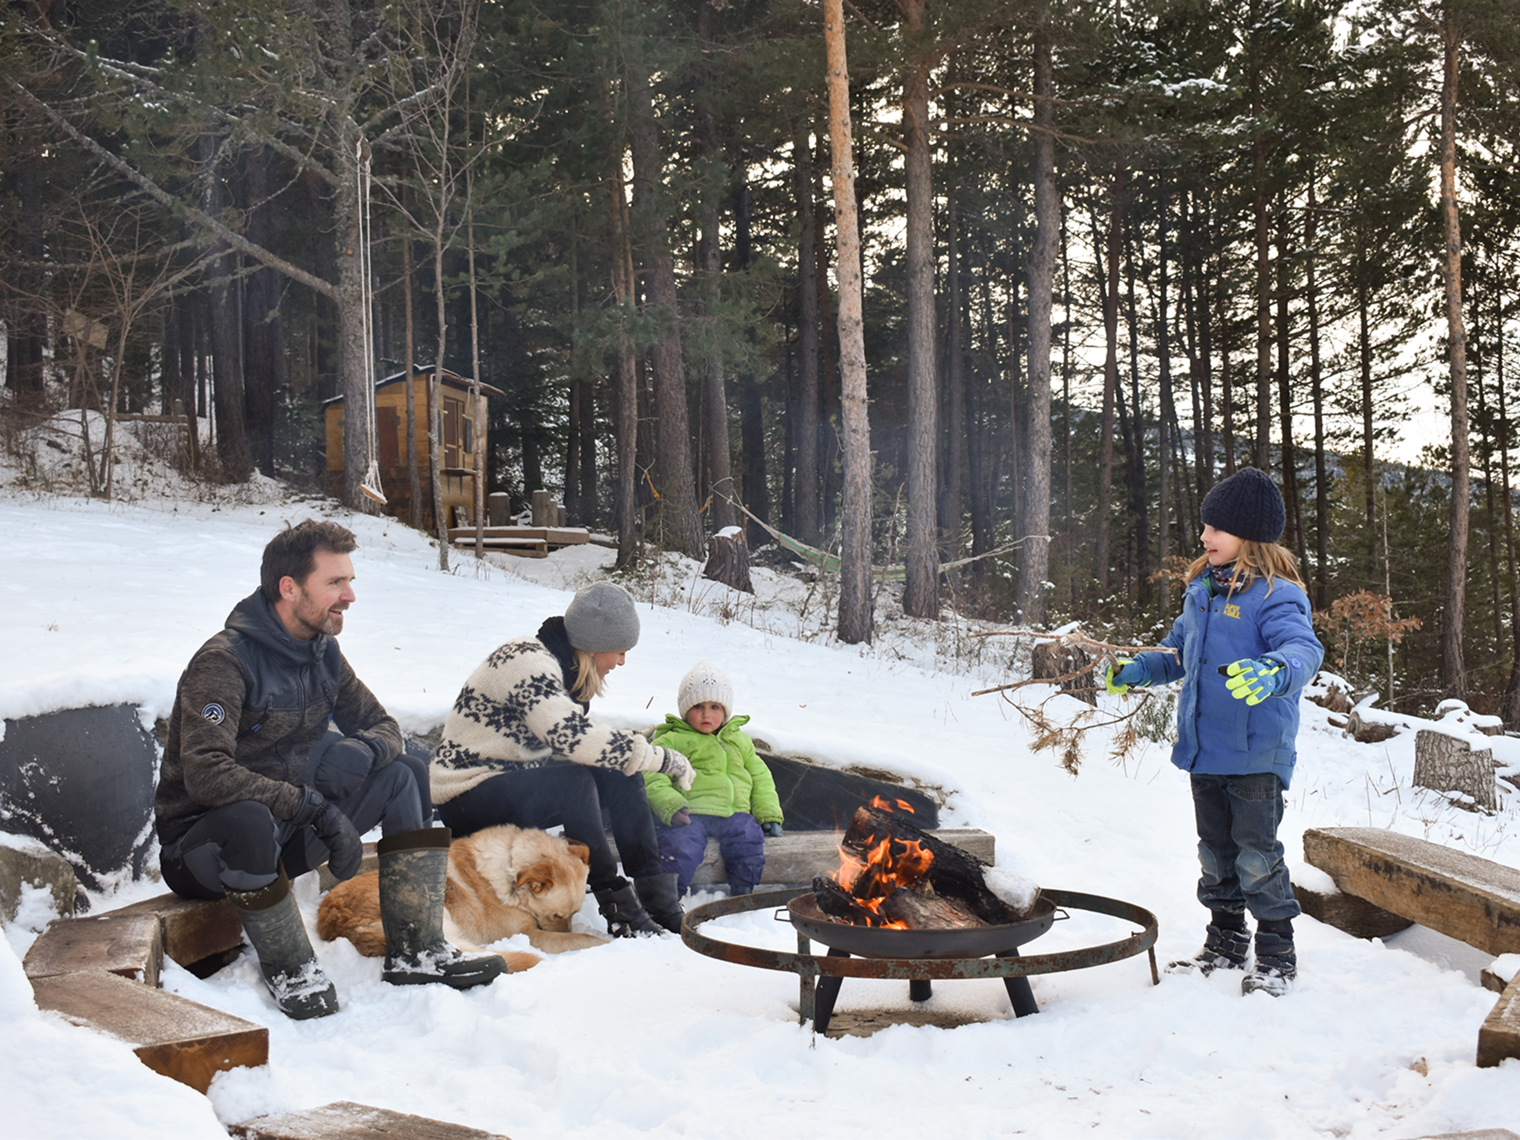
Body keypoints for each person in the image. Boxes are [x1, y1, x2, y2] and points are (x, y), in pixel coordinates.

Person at [155, 520, 504, 1020]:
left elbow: (385, 726)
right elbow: (207, 773)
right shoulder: (224, 663)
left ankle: (417, 950)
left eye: (350, 581)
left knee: (404, 772)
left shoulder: (323, 654)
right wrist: (311, 807)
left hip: (285, 833)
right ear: (289, 587)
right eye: (335, 582)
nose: (350, 596)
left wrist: (364, 749)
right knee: (249, 817)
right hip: (204, 851)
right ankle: (291, 970)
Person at [1104, 467, 1323, 997]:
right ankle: (1225, 940)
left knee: (1256, 855)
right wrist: (1141, 668)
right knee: (1216, 854)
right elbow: (1177, 652)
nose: (1204, 536)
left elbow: (1303, 649)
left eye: (1216, 528)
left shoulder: (1276, 595)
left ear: (1249, 535)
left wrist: (1274, 671)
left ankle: (1276, 952)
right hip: (1205, 750)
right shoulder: (1201, 591)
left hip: (1255, 753)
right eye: (1205, 526)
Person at [430, 581, 696, 938]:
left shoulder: (565, 676)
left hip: (509, 784)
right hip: (466, 794)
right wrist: (658, 758)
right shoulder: (527, 661)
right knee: (574, 782)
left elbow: (575, 743)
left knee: (618, 770)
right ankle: (617, 905)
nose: (621, 661)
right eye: (619, 651)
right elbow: (572, 738)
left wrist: (627, 752)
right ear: (595, 643)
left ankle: (658, 901)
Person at [644, 662, 784, 898]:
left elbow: (761, 778)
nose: (706, 714)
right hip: (690, 815)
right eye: (698, 706)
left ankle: (742, 891)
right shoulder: (673, 740)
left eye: (715, 707)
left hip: (734, 815)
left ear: (726, 710)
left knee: (748, 835)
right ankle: (667, 896)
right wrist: (670, 805)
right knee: (680, 845)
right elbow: (652, 774)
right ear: (685, 710)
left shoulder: (739, 741)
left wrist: (769, 814)